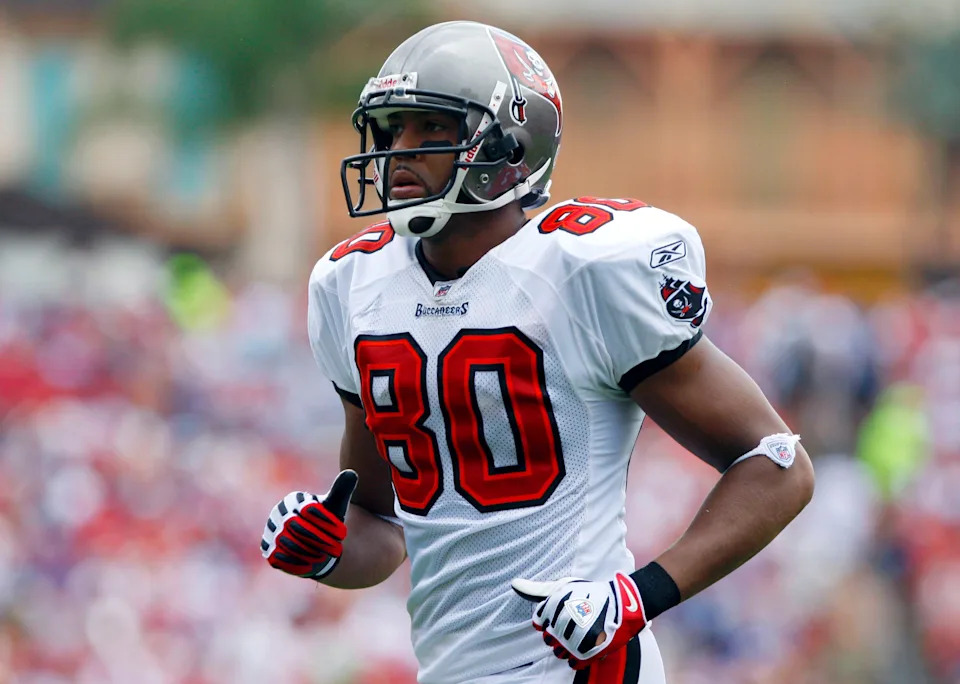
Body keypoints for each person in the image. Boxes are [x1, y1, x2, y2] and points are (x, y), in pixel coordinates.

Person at [261, 20, 815, 684]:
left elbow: (776, 464)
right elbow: (382, 527)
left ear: (510, 147)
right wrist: (326, 547)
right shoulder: (353, 285)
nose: (399, 152)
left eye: (430, 129)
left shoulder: (583, 270)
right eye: (392, 130)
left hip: (581, 664)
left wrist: (637, 596)